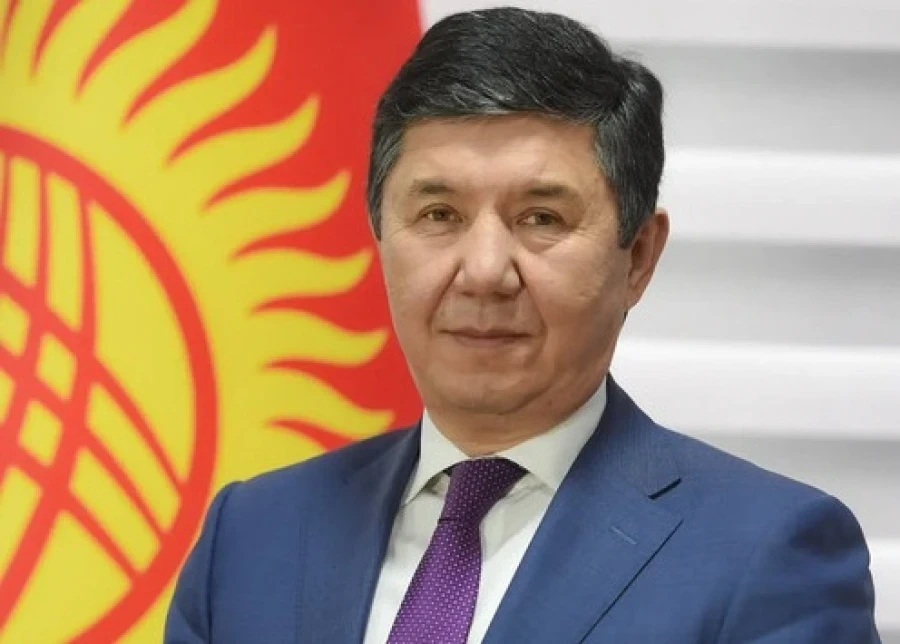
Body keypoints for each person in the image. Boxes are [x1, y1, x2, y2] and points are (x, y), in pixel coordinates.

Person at [164, 7, 880, 643]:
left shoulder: (765, 556)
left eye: (541, 218)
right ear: (379, 234)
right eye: (438, 214)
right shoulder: (251, 538)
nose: (483, 271)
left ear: (638, 257)